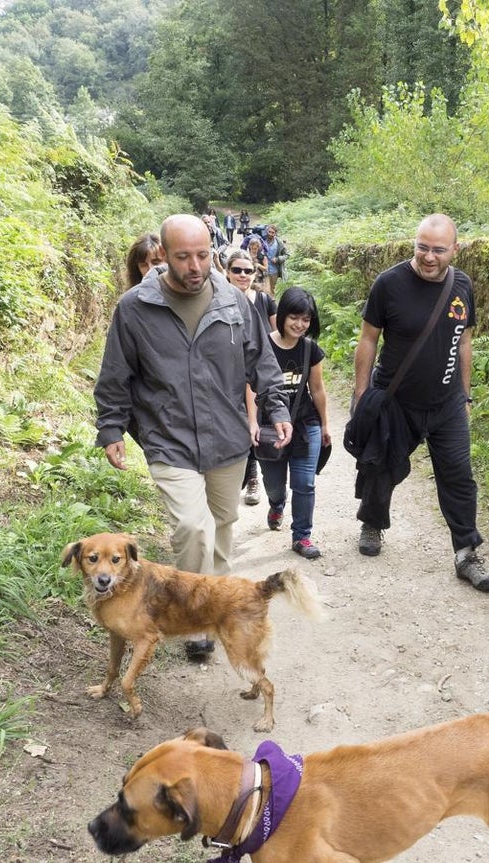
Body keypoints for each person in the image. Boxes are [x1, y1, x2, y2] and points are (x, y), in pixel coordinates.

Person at [94, 213, 292, 661]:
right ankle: (193, 612)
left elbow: (261, 361)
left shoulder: (233, 301)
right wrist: (111, 426)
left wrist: (275, 407)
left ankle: (211, 609)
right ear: (163, 255)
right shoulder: (134, 307)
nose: (196, 265)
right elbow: (115, 376)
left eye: (203, 255)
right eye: (184, 257)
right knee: (192, 527)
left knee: (223, 527)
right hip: (168, 438)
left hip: (227, 437)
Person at [352, 213, 489, 592]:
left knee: (459, 477)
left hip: (447, 402)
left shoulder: (462, 285)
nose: (428, 256)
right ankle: (373, 523)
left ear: (455, 248)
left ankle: (466, 553)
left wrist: (465, 393)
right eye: (422, 247)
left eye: (437, 249)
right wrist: (361, 392)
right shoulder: (389, 283)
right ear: (414, 243)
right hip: (396, 400)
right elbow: (369, 339)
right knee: (380, 464)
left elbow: (464, 341)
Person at [257, 287, 332, 560]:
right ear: (283, 315)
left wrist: (324, 425)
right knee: (274, 482)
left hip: (304, 425)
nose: (300, 325)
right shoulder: (263, 345)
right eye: (294, 318)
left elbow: (318, 389)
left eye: (306, 319)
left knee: (304, 483)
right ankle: (276, 504)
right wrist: (251, 423)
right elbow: (250, 387)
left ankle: (301, 536)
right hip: (270, 427)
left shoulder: (310, 349)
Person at [225, 248, 278, 507]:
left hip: (258, 374)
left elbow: (278, 336)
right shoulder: (219, 301)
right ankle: (241, 477)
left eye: (248, 270)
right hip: (232, 376)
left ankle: (255, 478)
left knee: (257, 425)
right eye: (237, 270)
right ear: (227, 272)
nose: (243, 275)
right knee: (241, 426)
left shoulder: (264, 301)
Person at [261, 223, 289, 294]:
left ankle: (272, 303)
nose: (270, 234)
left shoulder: (279, 243)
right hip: (263, 270)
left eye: (272, 232)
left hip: (274, 271)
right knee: (263, 290)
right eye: (269, 232)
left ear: (275, 233)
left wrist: (277, 259)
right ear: (267, 231)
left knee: (272, 289)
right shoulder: (262, 241)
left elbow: (287, 255)